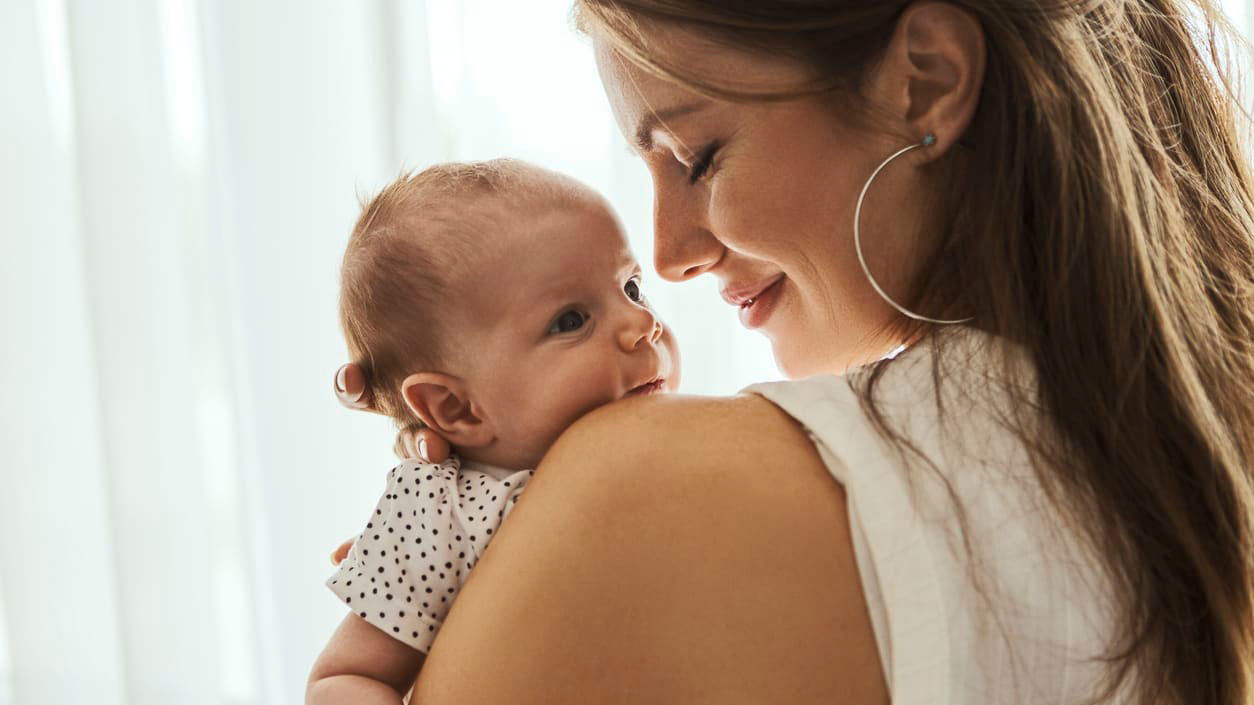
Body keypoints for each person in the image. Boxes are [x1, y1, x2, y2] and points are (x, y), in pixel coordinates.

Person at [326, 2, 1254, 703]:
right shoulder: (1207, 434)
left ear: (923, 82)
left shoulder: (637, 486)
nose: (670, 255)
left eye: (697, 156)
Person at [306, 160, 680, 704]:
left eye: (631, 288)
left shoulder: (682, 443)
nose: (641, 324)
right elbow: (344, 678)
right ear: (456, 408)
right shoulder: (443, 512)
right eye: (571, 320)